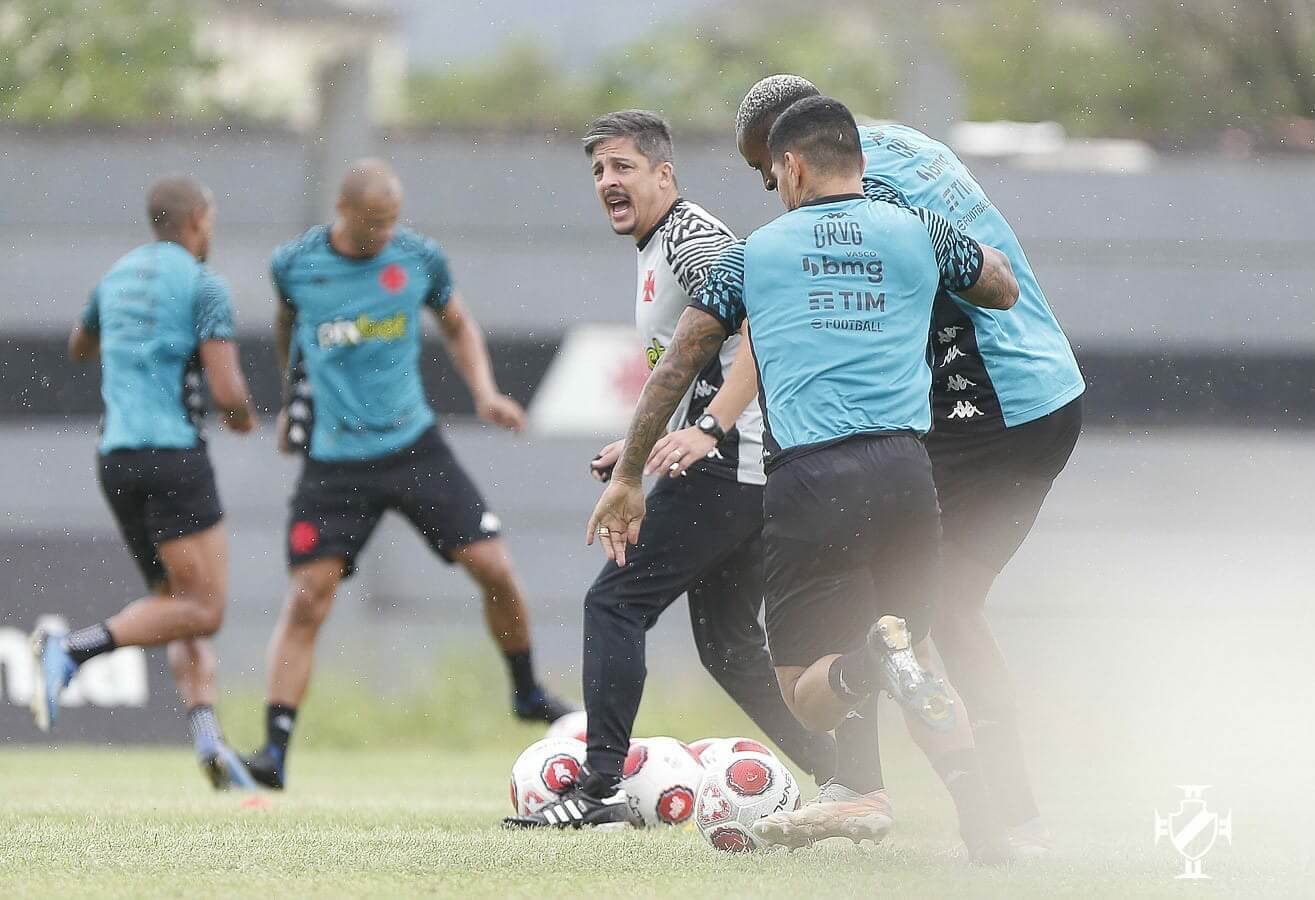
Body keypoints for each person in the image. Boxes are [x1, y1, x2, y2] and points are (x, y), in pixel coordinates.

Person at [586, 97, 1022, 863]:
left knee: (807, 691)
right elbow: (999, 284)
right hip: (906, 475)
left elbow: (680, 366)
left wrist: (628, 473)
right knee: (915, 655)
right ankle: (984, 832)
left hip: (812, 481)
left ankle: (865, 667)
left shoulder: (753, 253)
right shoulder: (914, 231)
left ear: (790, 167)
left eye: (771, 174)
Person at [733, 75, 1085, 855]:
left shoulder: (865, 202)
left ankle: (876, 793)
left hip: (988, 403)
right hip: (1049, 391)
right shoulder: (901, 142)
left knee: (881, 591)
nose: (767, 187)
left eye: (766, 168)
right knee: (937, 607)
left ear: (794, 156)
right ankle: (1003, 814)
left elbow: (841, 322)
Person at [503, 111, 836, 831]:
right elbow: (692, 365)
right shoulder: (659, 242)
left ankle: (596, 791)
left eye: (621, 166)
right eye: (597, 171)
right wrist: (632, 444)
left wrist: (710, 430)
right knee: (730, 650)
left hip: (731, 466)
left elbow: (758, 330)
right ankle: (847, 777)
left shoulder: (693, 238)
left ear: (664, 174)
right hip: (740, 467)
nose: (606, 182)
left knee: (614, 604)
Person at [241, 159, 572, 790]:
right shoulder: (295, 265)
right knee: (309, 597)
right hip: (335, 462)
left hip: (413, 446)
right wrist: (292, 399)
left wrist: (485, 391)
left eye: (394, 221)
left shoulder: (418, 259)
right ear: (344, 212)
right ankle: (274, 752)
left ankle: (527, 692)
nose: (387, 233)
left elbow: (457, 324)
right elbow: (288, 328)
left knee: (494, 567)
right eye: (376, 223)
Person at [30, 175, 258, 790]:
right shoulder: (204, 284)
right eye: (210, 219)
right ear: (197, 221)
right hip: (172, 457)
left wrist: (131, 341)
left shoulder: (118, 276)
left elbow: (80, 346)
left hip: (117, 461)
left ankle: (207, 733)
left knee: (173, 604)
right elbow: (229, 391)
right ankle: (73, 650)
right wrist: (245, 419)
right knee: (205, 608)